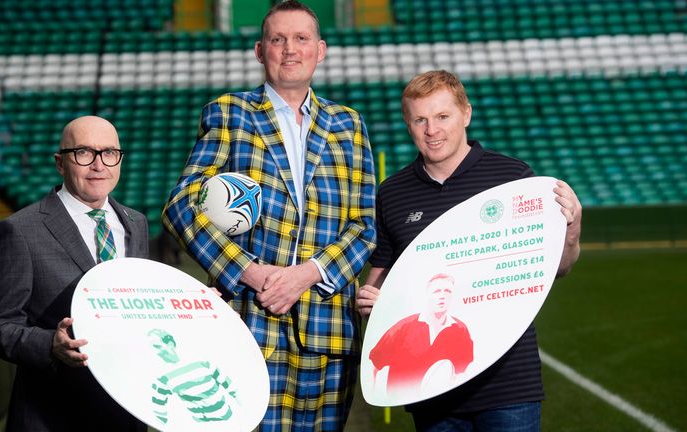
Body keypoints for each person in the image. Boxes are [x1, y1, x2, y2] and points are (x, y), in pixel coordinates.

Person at [161, 1, 376, 430]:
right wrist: (251, 272)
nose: (290, 49)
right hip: (249, 322)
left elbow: (364, 225)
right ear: (261, 51)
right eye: (278, 39)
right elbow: (182, 205)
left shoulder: (348, 124)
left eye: (301, 39)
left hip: (326, 327)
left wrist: (307, 274)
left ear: (321, 49)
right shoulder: (230, 113)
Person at [356, 70, 582, 431]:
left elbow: (559, 268)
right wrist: (372, 300)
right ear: (408, 124)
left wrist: (571, 233)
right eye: (420, 119)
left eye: (443, 116)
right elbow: (380, 277)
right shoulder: (392, 193)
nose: (432, 130)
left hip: (508, 385)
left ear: (466, 114)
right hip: (429, 389)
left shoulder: (513, 178)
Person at [0, 116, 149, 431]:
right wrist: (51, 346)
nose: (99, 165)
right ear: (60, 163)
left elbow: (138, 305)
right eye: (84, 153)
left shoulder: (135, 222)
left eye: (109, 153)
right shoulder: (20, 230)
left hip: (125, 411)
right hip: (53, 415)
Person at [368, 273, 473, 394]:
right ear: (427, 294)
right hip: (410, 406)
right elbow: (375, 364)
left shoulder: (460, 329)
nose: (442, 296)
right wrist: (375, 394)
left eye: (448, 291)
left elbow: (463, 371)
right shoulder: (403, 327)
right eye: (437, 291)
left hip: (449, 401)